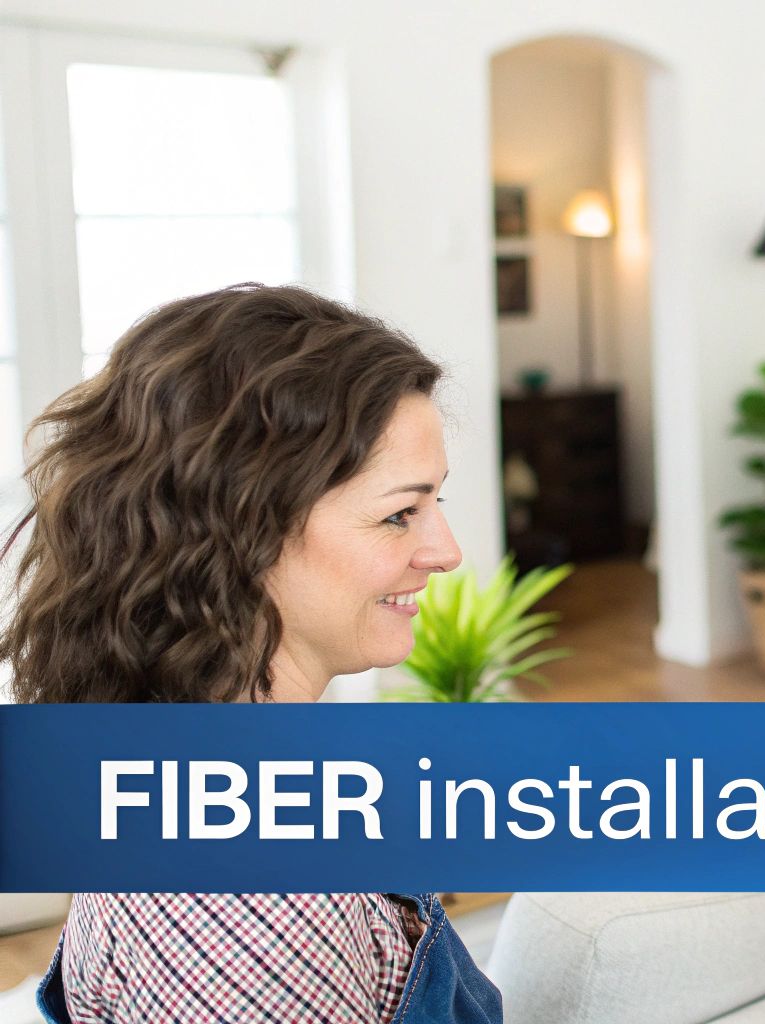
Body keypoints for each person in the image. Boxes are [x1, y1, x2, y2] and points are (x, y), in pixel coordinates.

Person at [6, 284, 503, 1023]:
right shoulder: (252, 906)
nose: (446, 552)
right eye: (400, 513)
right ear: (241, 532)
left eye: (437, 504)